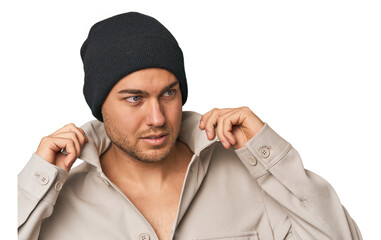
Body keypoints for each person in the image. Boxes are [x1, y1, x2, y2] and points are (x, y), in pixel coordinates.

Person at [18, 12, 362, 240]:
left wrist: (267, 153)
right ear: (100, 106)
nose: (157, 118)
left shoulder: (251, 180)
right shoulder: (51, 204)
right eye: (134, 98)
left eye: (168, 92)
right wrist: (35, 183)